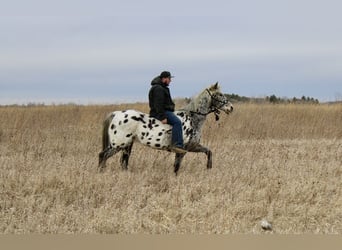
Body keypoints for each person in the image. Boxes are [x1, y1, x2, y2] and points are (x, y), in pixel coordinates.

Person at [148, 71, 186, 154]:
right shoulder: (159, 89)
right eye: (169, 78)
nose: (170, 81)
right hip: (161, 113)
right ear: (164, 79)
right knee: (177, 122)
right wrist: (162, 117)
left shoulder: (161, 87)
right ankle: (177, 145)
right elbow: (158, 104)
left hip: (164, 111)